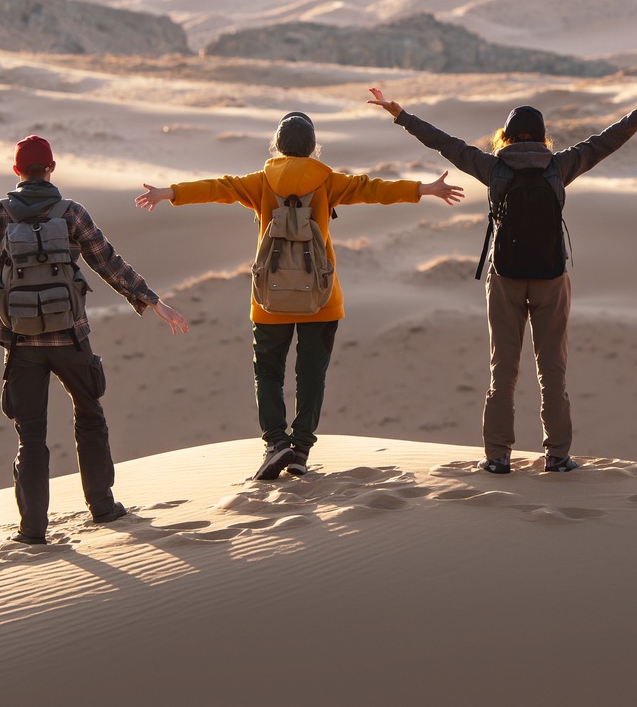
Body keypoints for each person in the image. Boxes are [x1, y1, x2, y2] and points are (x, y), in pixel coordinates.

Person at [368, 81, 637, 474]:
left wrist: (400, 115)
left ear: (507, 136)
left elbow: (445, 143)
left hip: (505, 279)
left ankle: (498, 456)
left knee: (503, 370)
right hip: (552, 279)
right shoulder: (559, 166)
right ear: (543, 136)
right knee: (553, 371)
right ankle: (558, 456)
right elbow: (606, 141)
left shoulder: (493, 168)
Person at [135, 111, 463, 479]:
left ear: (278, 146)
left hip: (269, 299)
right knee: (311, 376)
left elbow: (217, 186)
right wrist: (423, 189)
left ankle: (276, 443)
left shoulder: (260, 181)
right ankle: (301, 449)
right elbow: (375, 189)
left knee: (268, 373)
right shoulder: (329, 181)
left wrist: (169, 193)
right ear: (312, 149)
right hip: (321, 299)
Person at [0, 135, 188, 543]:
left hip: (21, 343)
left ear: (17, 171)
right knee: (90, 416)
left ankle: (32, 530)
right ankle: (102, 506)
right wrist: (153, 301)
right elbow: (108, 261)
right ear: (52, 168)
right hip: (71, 338)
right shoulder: (72, 213)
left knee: (31, 435)